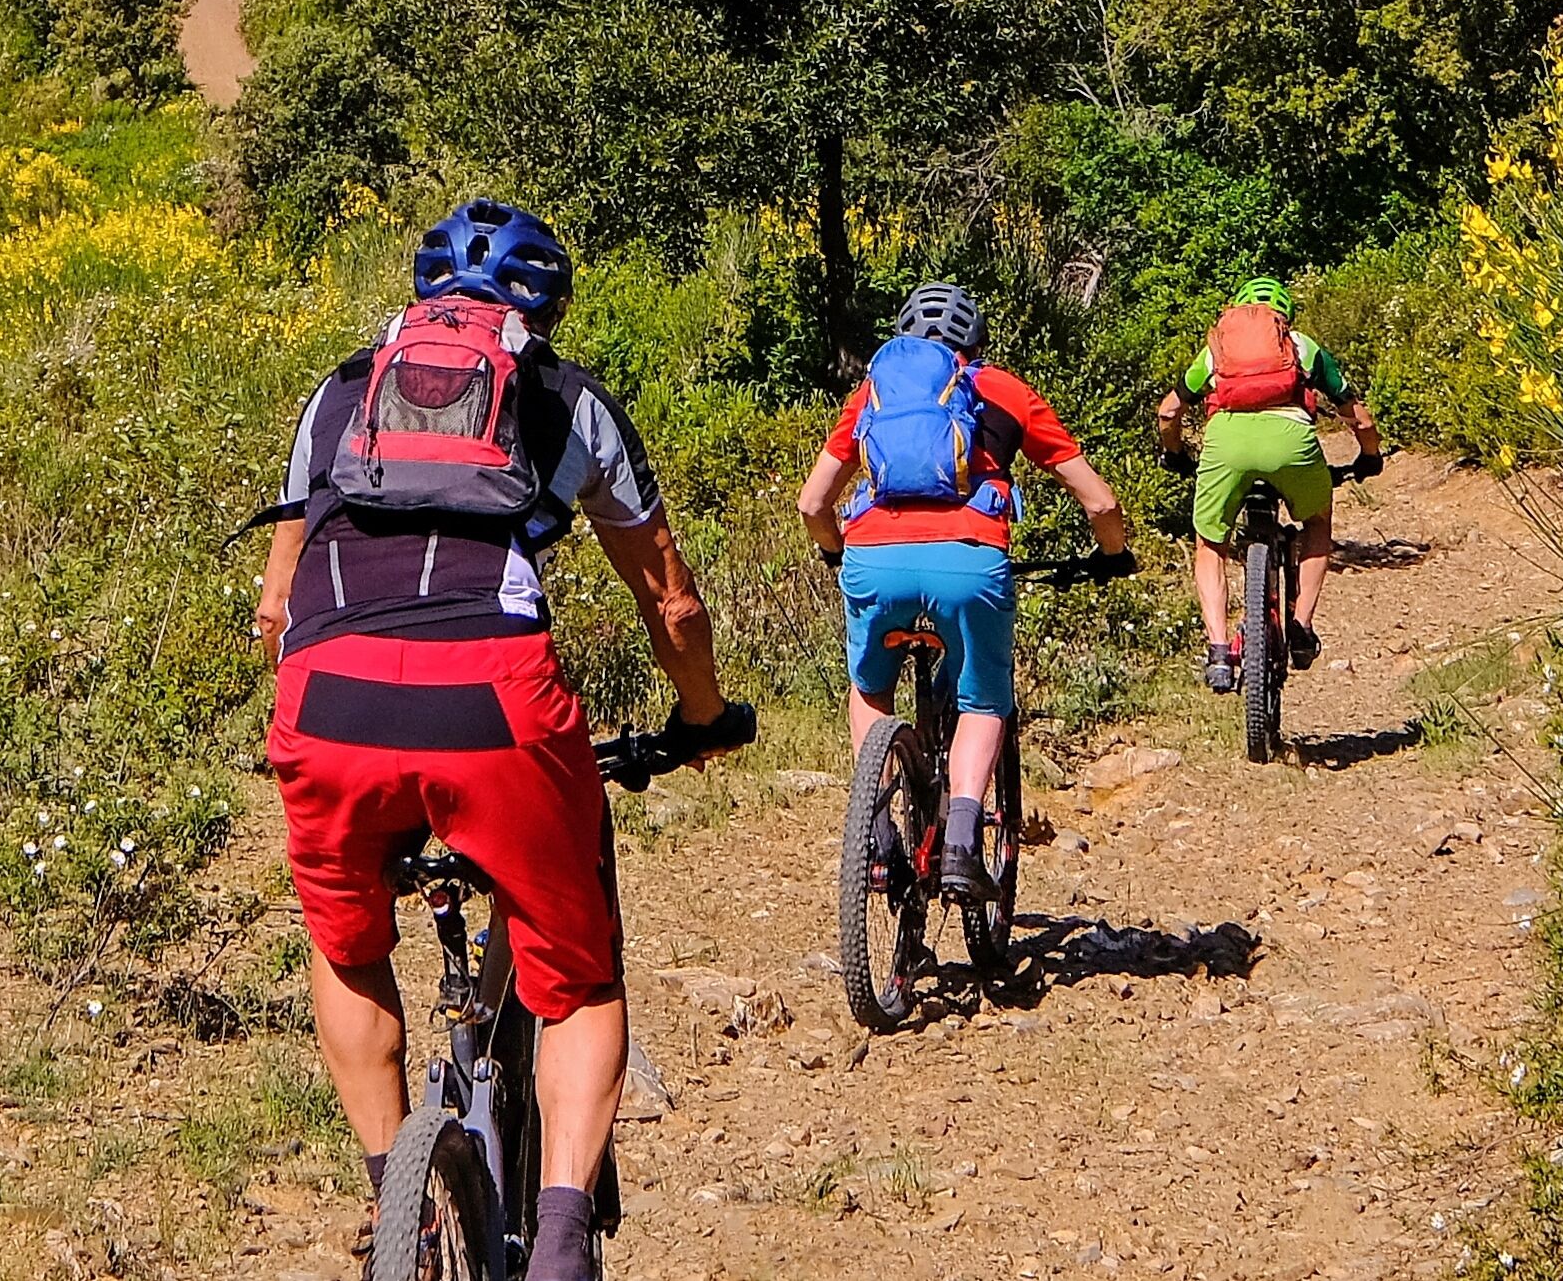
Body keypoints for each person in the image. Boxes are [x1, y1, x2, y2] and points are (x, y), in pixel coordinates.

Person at [260, 199, 739, 1281]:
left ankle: (402, 1211)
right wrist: (702, 717)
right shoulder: (565, 400)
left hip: (324, 695)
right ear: (546, 307)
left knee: (347, 947)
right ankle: (563, 1235)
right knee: (576, 981)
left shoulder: (338, 393)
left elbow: (273, 602)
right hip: (493, 698)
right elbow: (671, 605)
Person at [793, 281, 1129, 896]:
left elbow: (813, 501)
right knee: (984, 701)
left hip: (873, 559)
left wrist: (835, 549)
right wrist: (1113, 554)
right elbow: (1098, 498)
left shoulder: (873, 392)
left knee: (870, 692)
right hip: (969, 562)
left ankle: (878, 831)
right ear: (974, 342)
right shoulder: (1003, 390)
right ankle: (961, 841)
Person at [1158, 271, 1377, 691]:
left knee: (1210, 545)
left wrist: (1175, 453)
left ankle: (1219, 651)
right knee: (1316, 521)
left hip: (1227, 446)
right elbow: (1356, 415)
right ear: (1285, 319)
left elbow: (1169, 412)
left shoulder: (1217, 350)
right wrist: (1370, 455)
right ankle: (1301, 624)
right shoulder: (1302, 348)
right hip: (1291, 444)